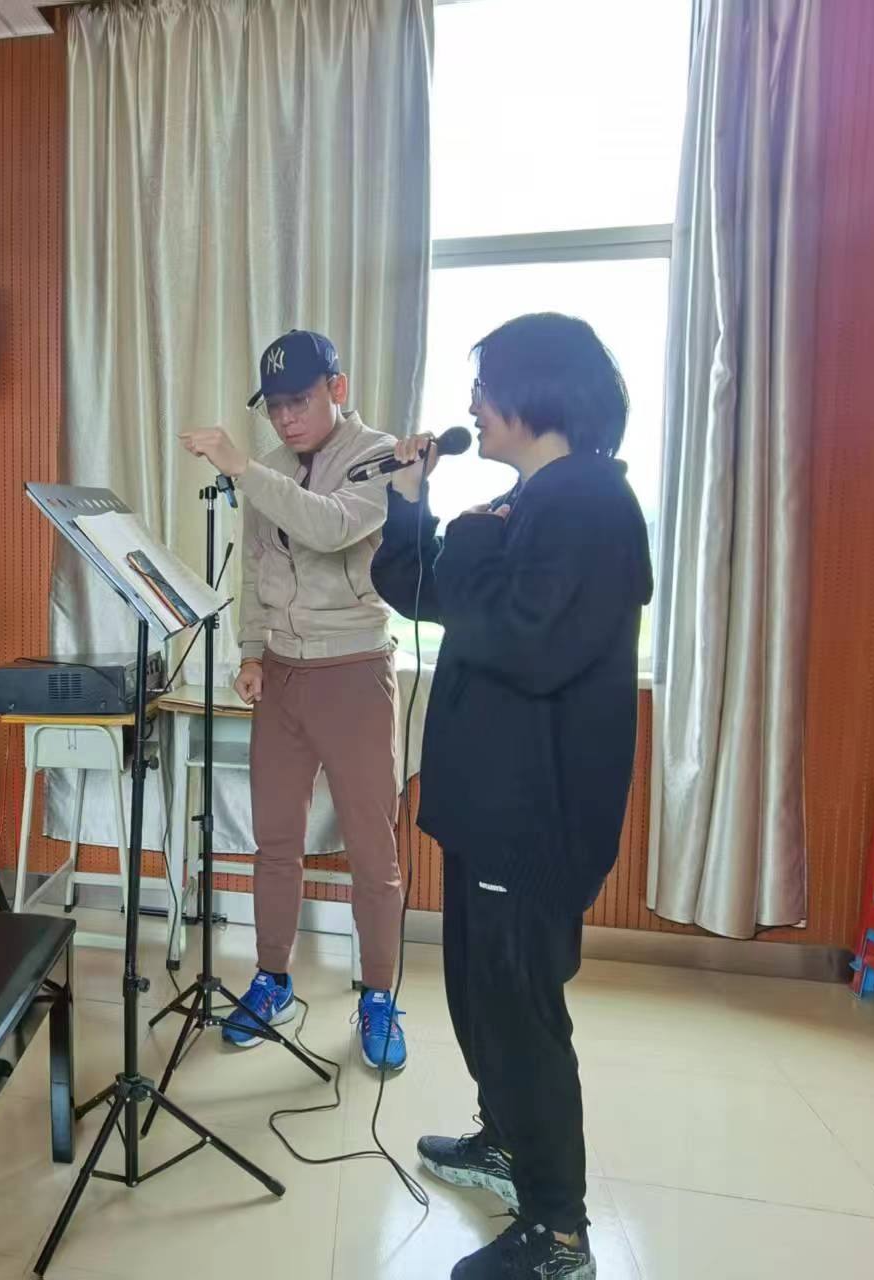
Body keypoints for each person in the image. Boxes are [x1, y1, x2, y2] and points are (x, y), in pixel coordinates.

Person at [371, 313, 651, 1279]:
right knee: (479, 995)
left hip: (534, 818)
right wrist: (414, 502)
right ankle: (506, 1141)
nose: (473, 407)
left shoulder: (590, 504)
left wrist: (469, 539)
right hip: (486, 808)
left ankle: (559, 1231)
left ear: (539, 391)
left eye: (486, 388)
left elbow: (526, 642)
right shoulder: (527, 501)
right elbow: (421, 589)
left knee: (520, 1012)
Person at [178, 329, 409, 1073]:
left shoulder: (380, 454)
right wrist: (250, 652)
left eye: (299, 401)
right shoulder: (270, 468)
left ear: (337, 389)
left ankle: (379, 995)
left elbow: (332, 526)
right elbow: (257, 568)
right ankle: (272, 978)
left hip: (354, 671)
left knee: (372, 848)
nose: (285, 418)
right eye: (274, 406)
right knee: (274, 840)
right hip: (281, 675)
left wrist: (242, 469)